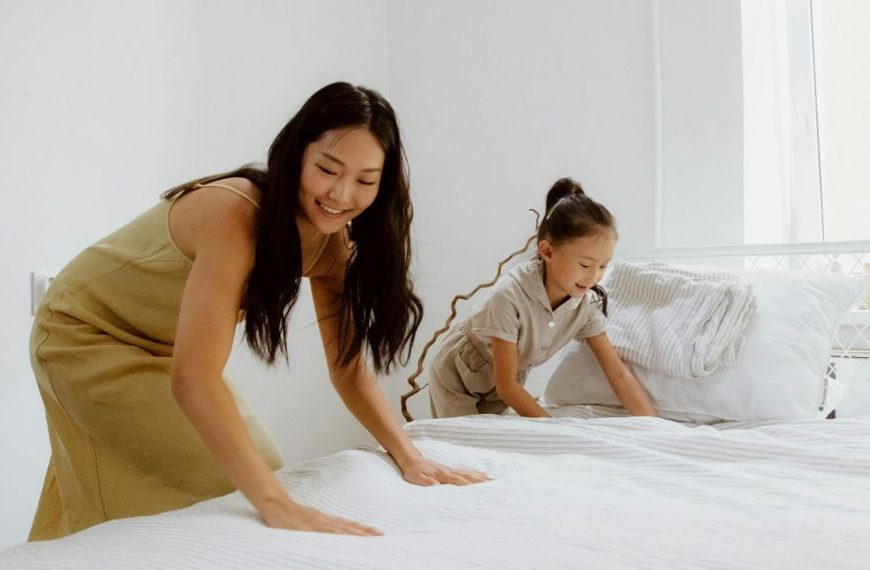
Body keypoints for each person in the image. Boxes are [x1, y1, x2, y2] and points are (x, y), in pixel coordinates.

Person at [28, 81, 489, 541]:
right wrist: (276, 505)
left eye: (365, 180)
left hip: (165, 347)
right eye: (328, 169)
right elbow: (195, 378)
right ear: (297, 156)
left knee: (260, 474)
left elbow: (348, 368)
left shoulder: (333, 246)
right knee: (236, 485)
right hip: (83, 333)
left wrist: (409, 456)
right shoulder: (236, 213)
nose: (342, 194)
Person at [428, 177, 657, 419]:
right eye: (585, 264)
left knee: (491, 445)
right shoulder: (509, 296)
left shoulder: (584, 308)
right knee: (461, 444)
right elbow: (507, 387)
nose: (593, 277)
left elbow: (618, 374)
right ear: (547, 251)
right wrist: (553, 428)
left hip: (503, 383)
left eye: (603, 266)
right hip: (458, 376)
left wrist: (654, 426)